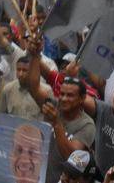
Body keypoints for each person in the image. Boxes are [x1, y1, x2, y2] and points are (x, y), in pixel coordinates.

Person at [27, 36, 96, 183]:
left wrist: (56, 123)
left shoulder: (87, 125)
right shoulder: (53, 105)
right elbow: (33, 87)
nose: (63, 99)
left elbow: (71, 157)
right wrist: (34, 56)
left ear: (82, 98)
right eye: (62, 94)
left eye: (70, 95)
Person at [0, 55, 51, 121]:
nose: (20, 74)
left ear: (32, 71)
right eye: (18, 70)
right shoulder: (8, 89)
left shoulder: (46, 91)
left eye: (24, 70)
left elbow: (50, 121)